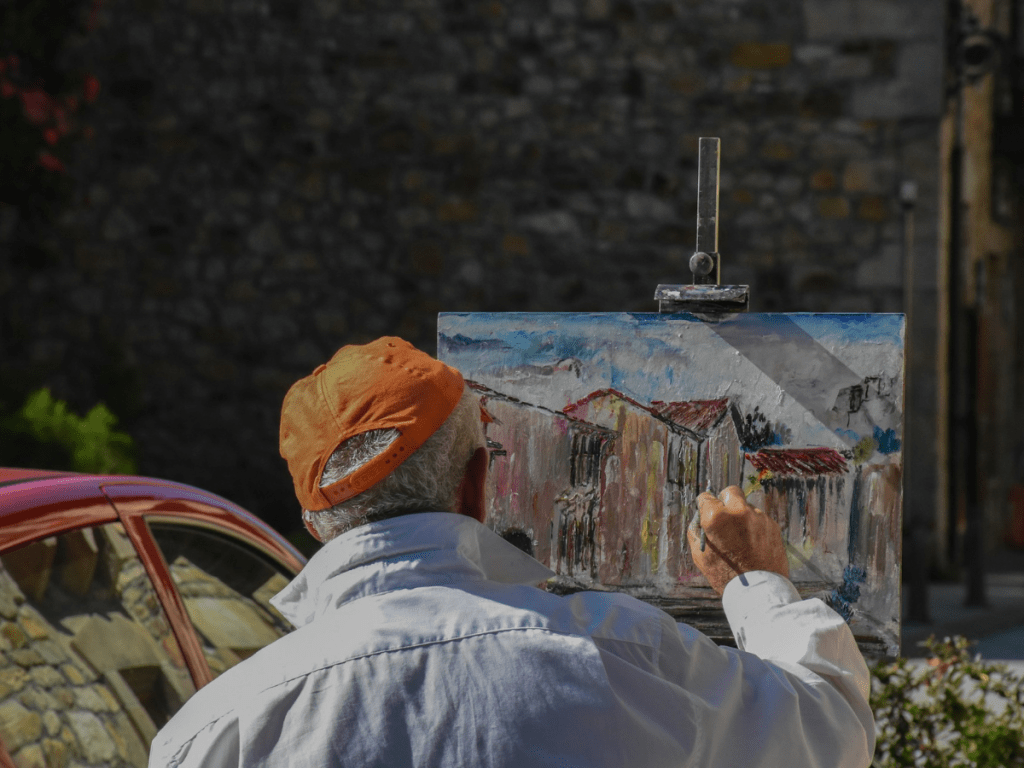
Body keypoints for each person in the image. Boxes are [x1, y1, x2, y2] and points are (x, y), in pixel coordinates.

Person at [149, 336, 876, 767]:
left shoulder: (214, 735)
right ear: (475, 485)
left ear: (315, 524)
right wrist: (758, 585)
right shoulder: (621, 655)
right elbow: (830, 734)